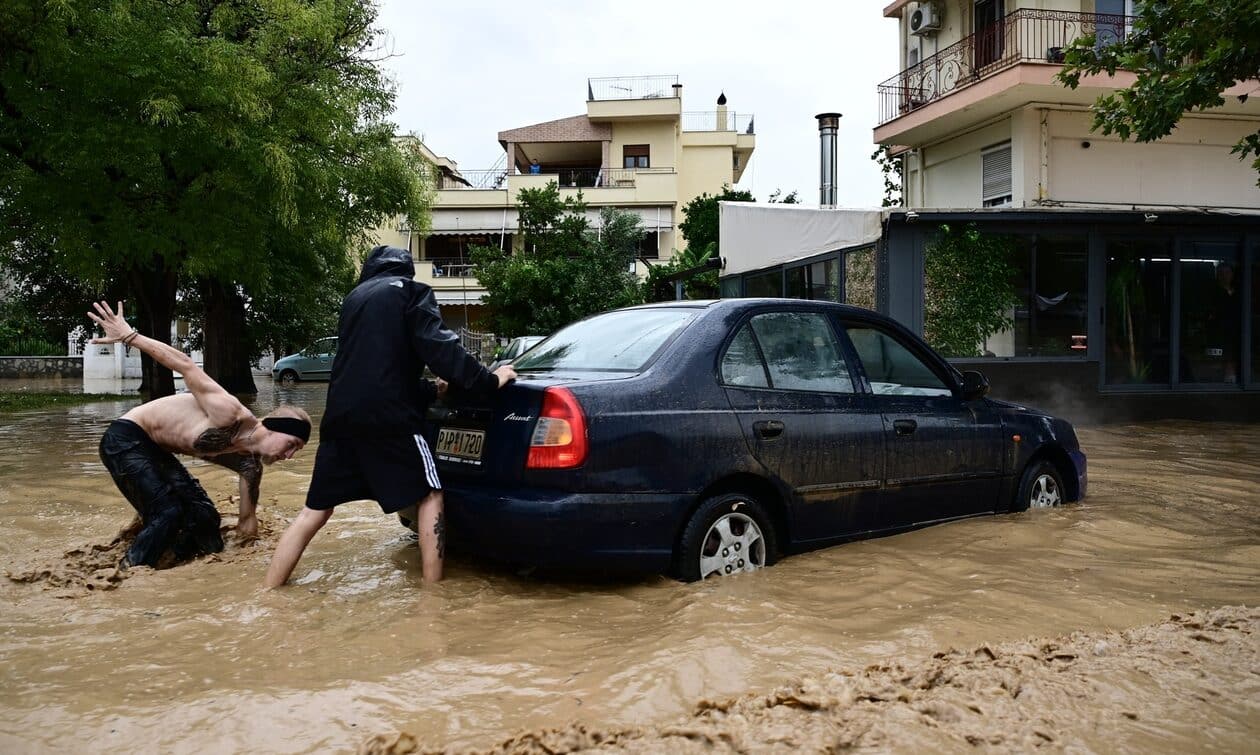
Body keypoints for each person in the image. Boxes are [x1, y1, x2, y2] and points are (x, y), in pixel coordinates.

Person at [265, 245, 516, 587]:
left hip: (339, 419)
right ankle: (433, 594)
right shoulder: (411, 291)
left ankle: (269, 589)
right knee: (430, 493)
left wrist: (431, 390)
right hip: (391, 418)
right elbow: (442, 349)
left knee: (315, 510)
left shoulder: (353, 300)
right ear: (406, 270)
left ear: (369, 271)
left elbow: (374, 368)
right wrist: (489, 380)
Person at [87, 301, 311, 569]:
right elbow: (185, 365)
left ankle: (176, 567)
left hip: (156, 450)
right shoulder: (229, 413)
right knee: (168, 512)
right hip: (126, 437)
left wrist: (247, 565)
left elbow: (246, 523)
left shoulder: (249, 465)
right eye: (292, 444)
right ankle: (126, 573)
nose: (289, 455)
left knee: (205, 516)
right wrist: (129, 336)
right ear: (276, 426)